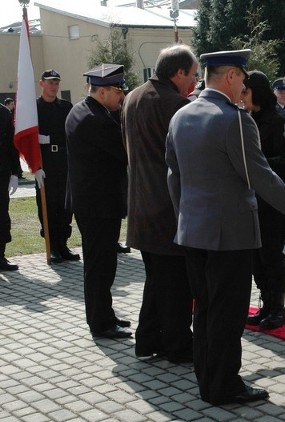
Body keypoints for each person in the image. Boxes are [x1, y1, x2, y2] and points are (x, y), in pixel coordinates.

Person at [165, 49, 285, 405]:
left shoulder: (182, 115)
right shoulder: (234, 119)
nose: (244, 87)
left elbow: (173, 176)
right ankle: (224, 385)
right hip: (229, 235)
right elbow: (260, 177)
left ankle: (208, 378)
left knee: (204, 308)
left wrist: (184, 216)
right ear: (230, 75)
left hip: (192, 232)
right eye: (243, 79)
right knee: (227, 314)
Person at [122, 45, 198, 363]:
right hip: (167, 208)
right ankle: (178, 346)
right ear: (178, 73)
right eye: (193, 75)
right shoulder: (175, 104)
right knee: (176, 284)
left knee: (157, 281)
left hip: (141, 205)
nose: (195, 82)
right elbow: (186, 159)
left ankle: (147, 340)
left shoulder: (133, 96)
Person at [65, 63, 131, 339]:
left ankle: (104, 313)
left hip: (91, 201)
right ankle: (101, 322)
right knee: (100, 266)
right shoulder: (97, 120)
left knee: (100, 264)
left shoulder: (83, 109)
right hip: (98, 204)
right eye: (118, 91)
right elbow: (125, 152)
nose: (122, 97)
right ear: (103, 91)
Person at [241, 70, 285, 330]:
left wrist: (255, 167)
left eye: (246, 91)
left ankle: (279, 308)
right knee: (255, 258)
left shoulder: (279, 121)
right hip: (251, 201)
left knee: (271, 255)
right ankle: (265, 305)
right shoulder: (248, 118)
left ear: (258, 92)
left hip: (273, 201)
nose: (242, 97)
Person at [35, 69, 80, 263]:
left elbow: (71, 133)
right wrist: (34, 165)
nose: (54, 86)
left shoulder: (65, 107)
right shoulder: (33, 108)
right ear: (41, 83)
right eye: (50, 82)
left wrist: (49, 138)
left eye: (56, 82)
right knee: (48, 204)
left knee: (65, 204)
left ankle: (63, 244)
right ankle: (52, 245)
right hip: (44, 161)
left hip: (63, 159)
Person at [0, 102, 21, 271]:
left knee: (1, 215)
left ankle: (0, 256)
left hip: (1, 173)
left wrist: (15, 172)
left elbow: (11, 144)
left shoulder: (4, 113)